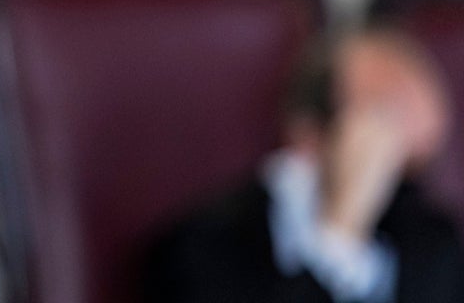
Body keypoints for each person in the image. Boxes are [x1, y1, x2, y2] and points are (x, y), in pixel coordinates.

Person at [145, 27, 464, 303]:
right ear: (308, 133)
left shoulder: (433, 237)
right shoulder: (206, 246)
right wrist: (339, 233)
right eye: (382, 120)